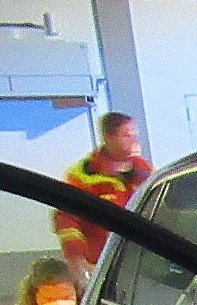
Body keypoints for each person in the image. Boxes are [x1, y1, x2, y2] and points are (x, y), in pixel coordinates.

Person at [54, 111, 152, 285]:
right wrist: (78, 262)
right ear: (109, 138)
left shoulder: (144, 170)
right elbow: (67, 222)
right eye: (127, 135)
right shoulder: (83, 175)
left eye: (134, 135)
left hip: (143, 268)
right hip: (103, 270)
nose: (134, 140)